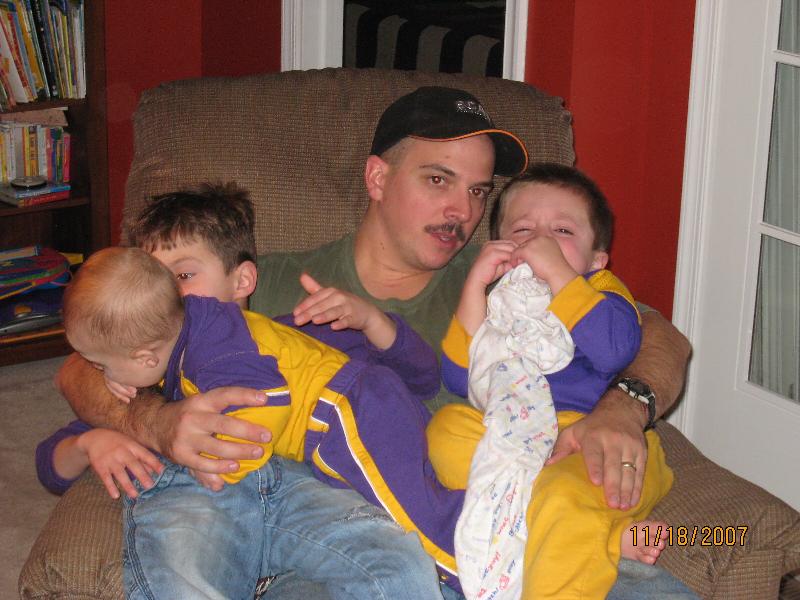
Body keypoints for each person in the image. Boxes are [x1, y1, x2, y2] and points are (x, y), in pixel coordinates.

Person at [57, 87, 694, 599]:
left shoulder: (502, 283)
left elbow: (658, 336)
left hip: (494, 522)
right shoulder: (257, 281)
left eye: (478, 191)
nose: (462, 211)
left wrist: (623, 408)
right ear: (377, 177)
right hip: (334, 531)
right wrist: (153, 421)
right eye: (439, 180)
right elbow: (86, 366)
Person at [42, 185, 445, 600]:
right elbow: (52, 461)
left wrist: (375, 322)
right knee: (185, 576)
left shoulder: (292, 336)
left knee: (397, 561)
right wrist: (91, 442)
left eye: (182, 276)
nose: (166, 299)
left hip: (299, 494)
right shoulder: (143, 382)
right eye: (152, 283)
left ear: (242, 280)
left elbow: (422, 378)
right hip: (204, 496)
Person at [433, 163, 673, 599]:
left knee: (564, 495)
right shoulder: (501, 301)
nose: (540, 242)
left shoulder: (600, 292)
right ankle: (604, 536)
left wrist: (560, 276)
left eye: (562, 231)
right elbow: (458, 377)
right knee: (445, 431)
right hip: (517, 434)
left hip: (593, 443)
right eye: (523, 230)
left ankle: (578, 538)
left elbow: (615, 349)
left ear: (597, 259)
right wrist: (476, 286)